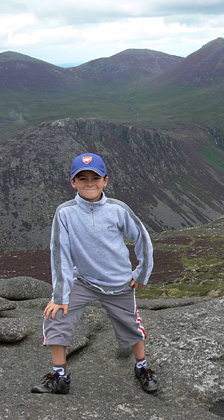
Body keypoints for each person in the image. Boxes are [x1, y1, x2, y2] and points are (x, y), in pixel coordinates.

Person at [31, 153, 158, 394]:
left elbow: (142, 237)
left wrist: (141, 273)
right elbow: (60, 254)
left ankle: (142, 366)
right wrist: (60, 295)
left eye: (95, 178)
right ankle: (59, 375)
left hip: (118, 282)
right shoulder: (65, 213)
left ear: (105, 181)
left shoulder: (117, 209)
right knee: (55, 315)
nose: (89, 183)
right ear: (73, 182)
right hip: (83, 281)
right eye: (82, 178)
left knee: (131, 325)